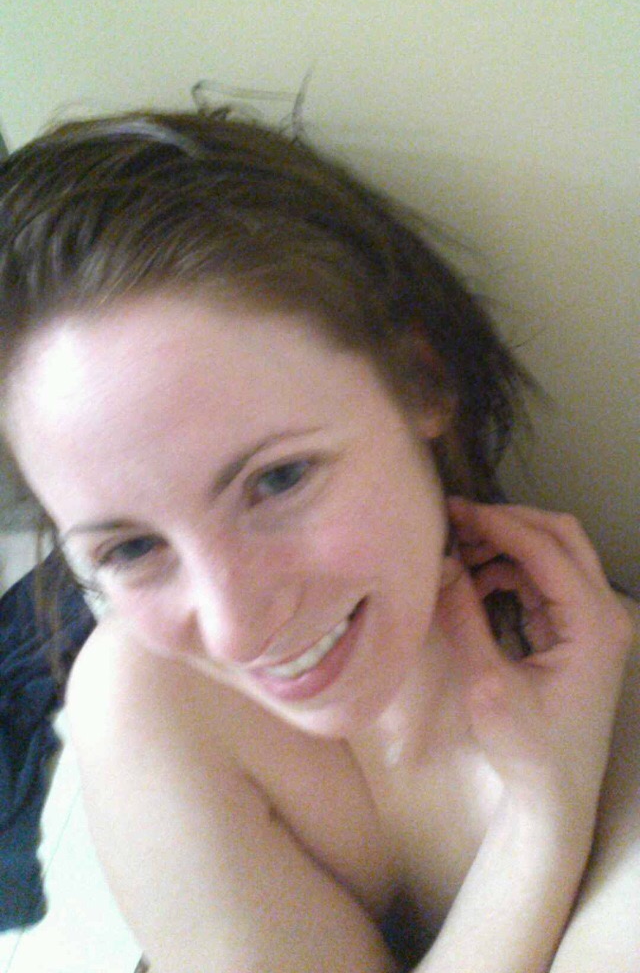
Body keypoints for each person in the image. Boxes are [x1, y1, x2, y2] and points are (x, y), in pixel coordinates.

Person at [0, 109, 637, 972]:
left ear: (421, 382)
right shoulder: (144, 692)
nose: (232, 630)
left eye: (278, 480)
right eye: (130, 549)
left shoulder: (623, 732)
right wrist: (541, 826)